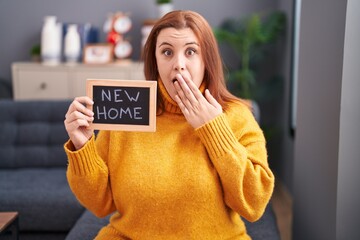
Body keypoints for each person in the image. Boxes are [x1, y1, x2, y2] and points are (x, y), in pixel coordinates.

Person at [64, 10, 274, 239]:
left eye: (191, 51)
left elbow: (254, 204)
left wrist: (214, 129)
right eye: (167, 52)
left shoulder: (237, 116)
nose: (179, 65)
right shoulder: (128, 112)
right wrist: (83, 146)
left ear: (207, 60)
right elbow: (100, 204)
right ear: (155, 61)